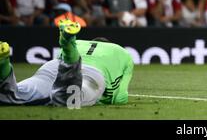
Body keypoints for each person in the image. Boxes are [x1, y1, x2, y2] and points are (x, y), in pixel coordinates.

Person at [0, 18, 133, 106]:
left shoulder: (81, 43)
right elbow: (120, 98)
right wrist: (103, 100)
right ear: (109, 44)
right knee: (70, 99)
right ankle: (70, 49)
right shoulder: (123, 53)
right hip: (91, 75)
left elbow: (58, 65)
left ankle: (4, 62)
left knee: (14, 94)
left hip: (53, 67)